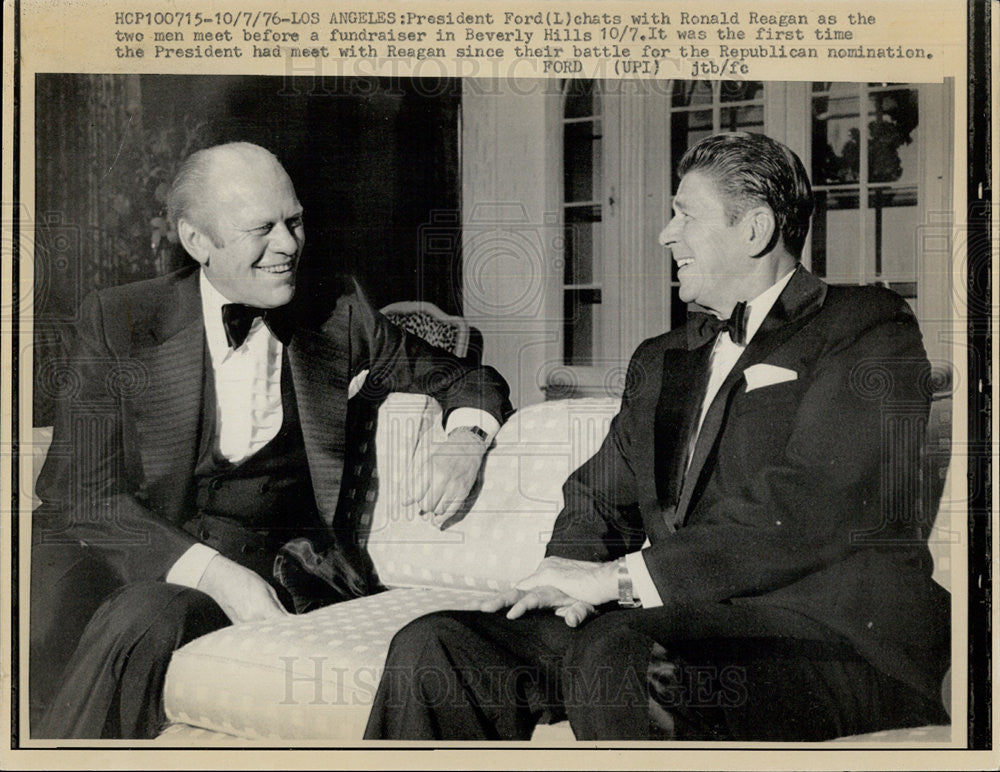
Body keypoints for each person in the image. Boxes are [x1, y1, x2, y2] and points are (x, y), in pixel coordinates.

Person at [363, 132, 951, 741]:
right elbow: (599, 497)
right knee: (438, 647)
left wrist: (618, 582)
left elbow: (809, 505)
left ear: (754, 230)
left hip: (826, 640)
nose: (666, 235)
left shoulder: (868, 326)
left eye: (684, 215)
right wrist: (561, 577)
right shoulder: (663, 358)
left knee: (621, 652)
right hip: (678, 626)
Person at [30, 142, 512, 738]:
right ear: (197, 242)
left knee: (150, 617)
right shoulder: (119, 320)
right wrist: (213, 573)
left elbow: (467, 376)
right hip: (147, 555)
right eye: (262, 229)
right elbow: (81, 492)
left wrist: (466, 439)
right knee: (116, 610)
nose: (288, 245)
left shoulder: (337, 311)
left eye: (294, 221)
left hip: (288, 565)